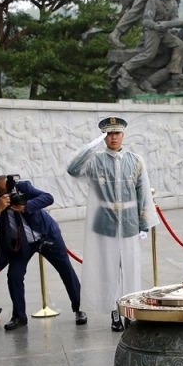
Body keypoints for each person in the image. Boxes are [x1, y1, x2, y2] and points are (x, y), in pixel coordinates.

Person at [67, 116, 157, 332]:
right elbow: (73, 169)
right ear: (103, 136)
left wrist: (144, 224)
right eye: (108, 134)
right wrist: (92, 146)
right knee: (109, 270)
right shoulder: (95, 161)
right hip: (105, 225)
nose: (113, 137)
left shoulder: (135, 160)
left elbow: (143, 192)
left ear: (123, 135)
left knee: (130, 270)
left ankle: (130, 311)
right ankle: (114, 312)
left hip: (129, 223)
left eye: (116, 133)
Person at [0, 175, 86, 331]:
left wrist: (26, 206)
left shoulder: (24, 188)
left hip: (46, 235)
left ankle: (79, 308)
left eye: (12, 190)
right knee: (14, 276)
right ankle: (19, 316)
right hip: (22, 244)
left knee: (66, 269)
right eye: (6, 192)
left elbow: (48, 198)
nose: (11, 194)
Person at [116, 0, 183, 94]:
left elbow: (175, 17)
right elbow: (146, 21)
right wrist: (155, 26)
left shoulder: (173, 2)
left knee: (180, 46)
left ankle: (175, 72)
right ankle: (125, 68)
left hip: (165, 32)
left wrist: (173, 24)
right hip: (152, 31)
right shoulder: (153, 1)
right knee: (149, 54)